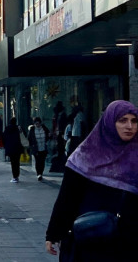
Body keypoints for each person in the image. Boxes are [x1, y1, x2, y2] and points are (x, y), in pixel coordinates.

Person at [45, 100, 138, 260]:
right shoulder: (84, 156)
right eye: (122, 120)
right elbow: (67, 199)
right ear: (109, 123)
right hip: (90, 238)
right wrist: (53, 234)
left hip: (128, 242)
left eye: (134, 121)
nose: (129, 126)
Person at [2, 117, 24, 183]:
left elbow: (4, 138)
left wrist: (5, 146)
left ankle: (15, 176)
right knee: (17, 162)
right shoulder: (18, 128)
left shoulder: (7, 128)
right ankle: (17, 175)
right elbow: (23, 136)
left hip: (10, 148)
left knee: (13, 162)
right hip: (18, 147)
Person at [29, 116, 51, 181]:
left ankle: (41, 173)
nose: (37, 125)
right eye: (36, 123)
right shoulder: (32, 129)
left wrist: (49, 136)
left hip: (43, 148)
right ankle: (38, 174)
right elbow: (29, 138)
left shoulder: (44, 128)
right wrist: (32, 146)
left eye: (38, 123)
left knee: (42, 162)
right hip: (36, 148)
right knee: (38, 161)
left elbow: (48, 135)